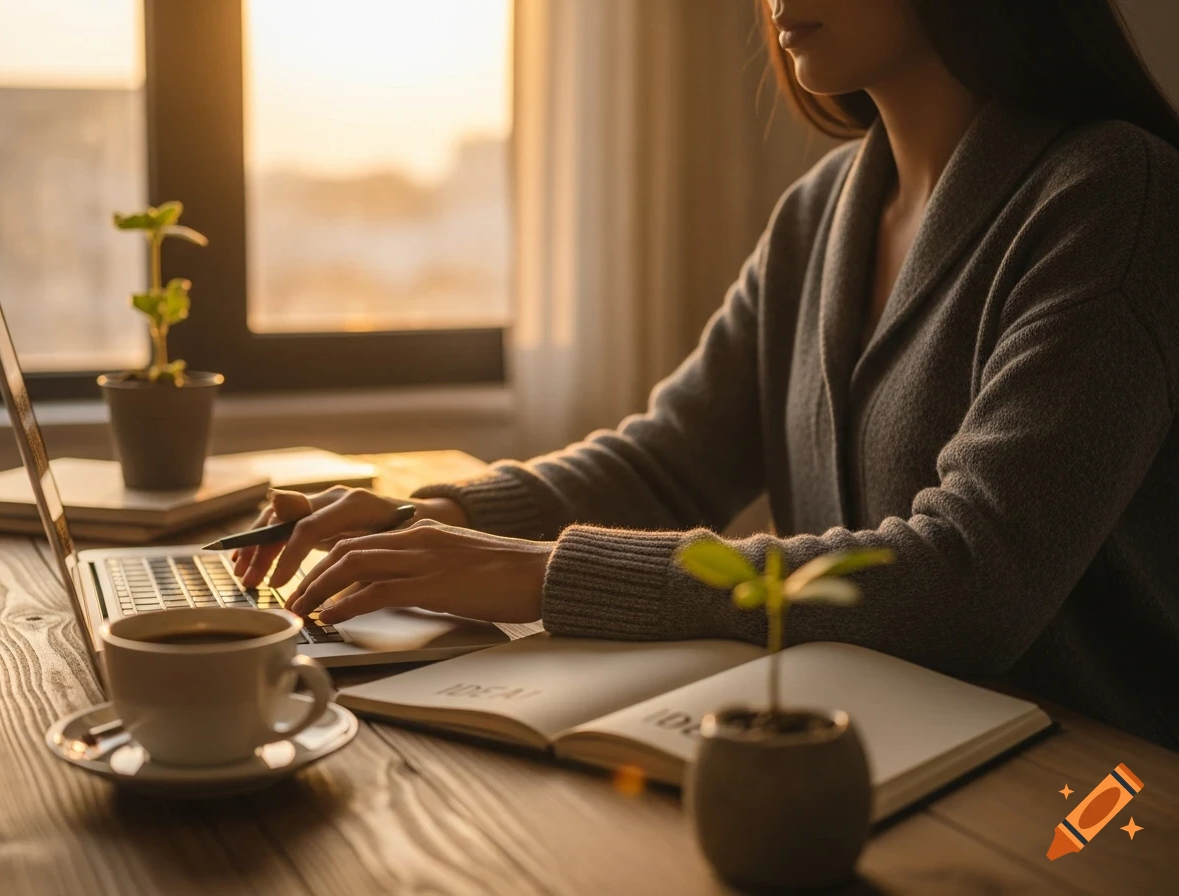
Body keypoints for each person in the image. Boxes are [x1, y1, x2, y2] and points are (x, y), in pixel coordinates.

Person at [236, 0, 1179, 749]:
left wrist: (539, 575)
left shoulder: (1112, 195)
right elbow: (668, 462)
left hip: (1090, 785)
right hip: (861, 743)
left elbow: (969, 581)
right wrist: (443, 521)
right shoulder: (818, 214)